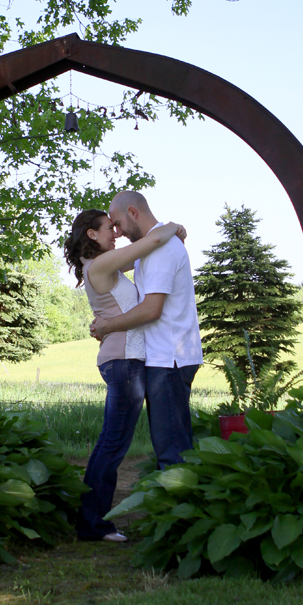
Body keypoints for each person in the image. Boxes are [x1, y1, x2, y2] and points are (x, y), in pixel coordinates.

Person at [64, 208, 186, 542]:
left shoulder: (105, 264)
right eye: (108, 228)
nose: (115, 233)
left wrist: (161, 239)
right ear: (92, 234)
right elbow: (154, 239)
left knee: (111, 442)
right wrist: (174, 226)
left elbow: (146, 252)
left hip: (125, 360)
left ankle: (92, 522)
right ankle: (94, 524)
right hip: (123, 362)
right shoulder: (102, 264)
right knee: (112, 444)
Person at [90, 191, 202, 468]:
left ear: (133, 212)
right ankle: (180, 504)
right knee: (172, 446)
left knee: (172, 451)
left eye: (117, 223)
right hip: (166, 358)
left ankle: (181, 508)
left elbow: (152, 309)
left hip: (169, 359)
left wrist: (107, 326)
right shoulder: (151, 248)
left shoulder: (161, 250)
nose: (116, 232)